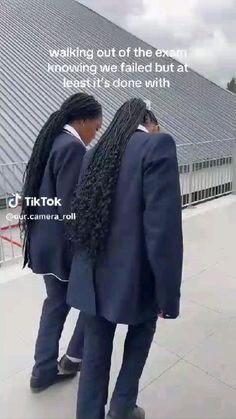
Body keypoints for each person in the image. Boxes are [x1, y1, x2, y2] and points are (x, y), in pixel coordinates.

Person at [67, 98, 183, 419]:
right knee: (141, 334)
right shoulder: (157, 145)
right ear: (151, 123)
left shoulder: (95, 154)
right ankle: (122, 407)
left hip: (93, 274)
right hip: (136, 276)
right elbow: (164, 232)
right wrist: (168, 295)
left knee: (95, 352)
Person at [20, 92, 102, 392]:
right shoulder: (72, 148)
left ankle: (42, 371)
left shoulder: (54, 141)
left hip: (44, 241)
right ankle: (71, 359)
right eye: (95, 127)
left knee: (55, 305)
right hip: (61, 247)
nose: (94, 136)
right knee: (94, 301)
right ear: (81, 121)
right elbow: (71, 207)